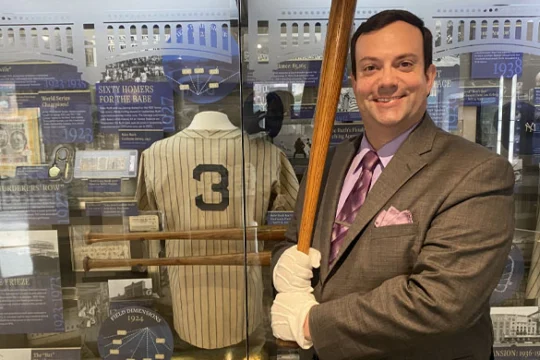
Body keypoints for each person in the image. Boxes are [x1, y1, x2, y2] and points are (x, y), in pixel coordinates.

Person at [270, 9, 514, 360]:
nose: (386, 81)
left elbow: (441, 302)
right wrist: (284, 266)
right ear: (354, 82)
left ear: (429, 77)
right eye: (371, 67)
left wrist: (311, 323)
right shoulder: (329, 161)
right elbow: (297, 242)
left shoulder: (477, 172)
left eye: (404, 64)